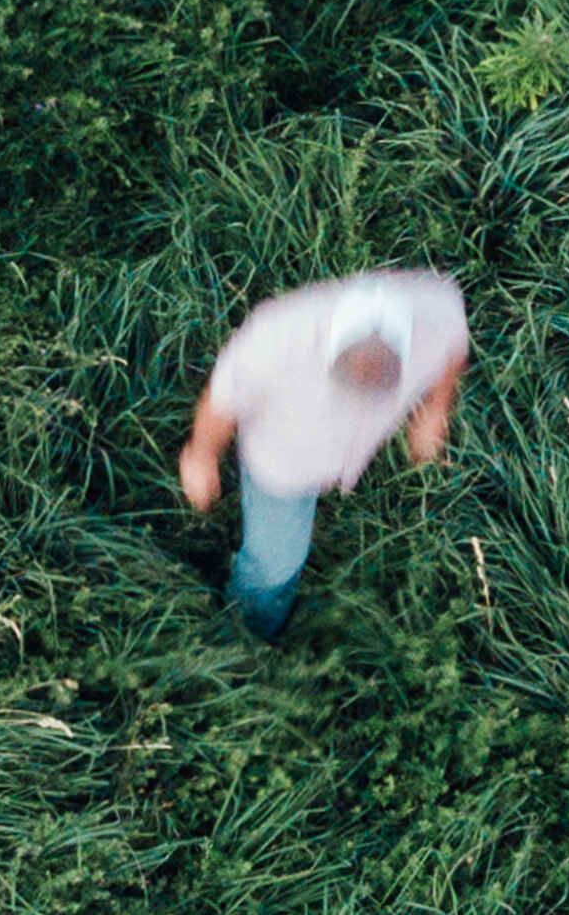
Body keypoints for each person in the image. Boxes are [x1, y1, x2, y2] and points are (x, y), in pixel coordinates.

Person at [177, 269, 468, 638]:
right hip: (282, 464)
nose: (364, 380)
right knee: (275, 566)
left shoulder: (437, 312)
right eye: (354, 369)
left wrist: (435, 411)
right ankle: (243, 636)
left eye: (379, 373)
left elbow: (454, 349)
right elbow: (222, 399)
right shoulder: (275, 336)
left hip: (349, 453)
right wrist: (201, 456)